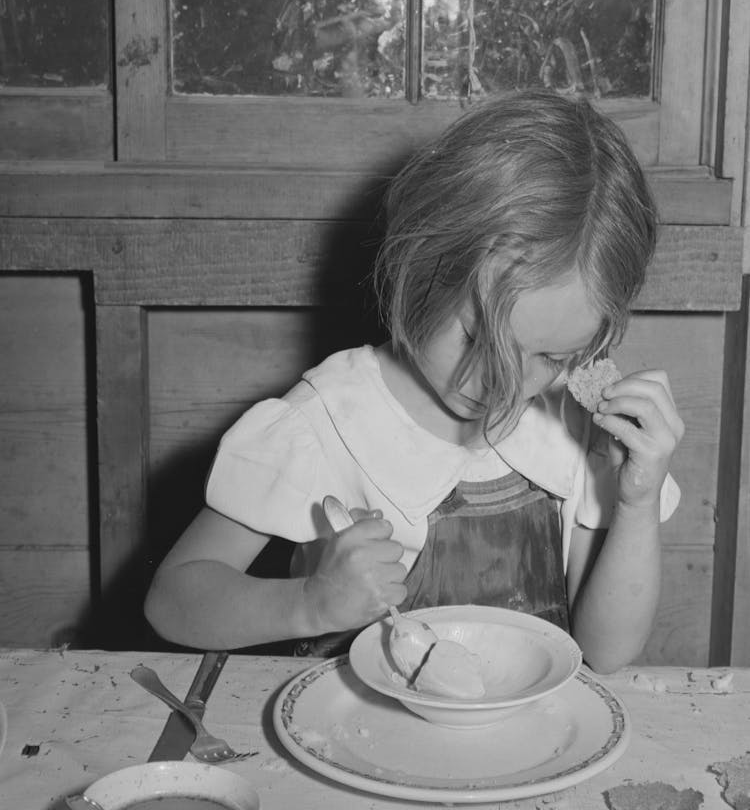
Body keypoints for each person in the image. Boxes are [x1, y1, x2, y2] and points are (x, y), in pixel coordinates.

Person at [144, 88, 684, 674]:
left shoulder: (573, 427)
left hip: (522, 753)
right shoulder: (328, 422)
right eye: (477, 339)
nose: (503, 382)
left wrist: (635, 502)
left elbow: (605, 653)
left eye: (552, 358)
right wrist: (308, 603)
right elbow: (174, 601)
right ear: (419, 267)